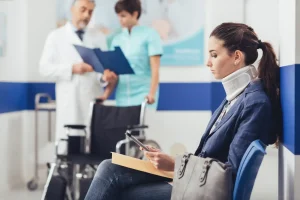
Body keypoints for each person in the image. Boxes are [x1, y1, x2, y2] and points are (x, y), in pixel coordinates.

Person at [84, 22, 282, 200]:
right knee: (109, 167)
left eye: (214, 55)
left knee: (119, 188)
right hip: (197, 180)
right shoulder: (236, 98)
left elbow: (231, 172)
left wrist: (175, 165)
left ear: (237, 56)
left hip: (207, 190)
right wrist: (173, 165)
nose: (208, 62)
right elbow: (208, 157)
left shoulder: (254, 103)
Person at [39, 0, 117, 143]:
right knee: (68, 149)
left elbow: (102, 71)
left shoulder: (99, 37)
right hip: (69, 102)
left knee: (92, 148)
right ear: (72, 9)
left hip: (92, 100)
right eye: (83, 9)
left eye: (90, 11)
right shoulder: (56, 36)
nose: (86, 15)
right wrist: (72, 68)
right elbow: (44, 69)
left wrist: (105, 78)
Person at [101, 0, 163, 109]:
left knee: (140, 125)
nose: (120, 20)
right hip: (122, 97)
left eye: (123, 16)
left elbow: (155, 69)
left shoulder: (150, 35)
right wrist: (105, 96)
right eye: (118, 16)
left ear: (135, 14)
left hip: (144, 95)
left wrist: (152, 94)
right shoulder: (117, 39)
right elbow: (115, 73)